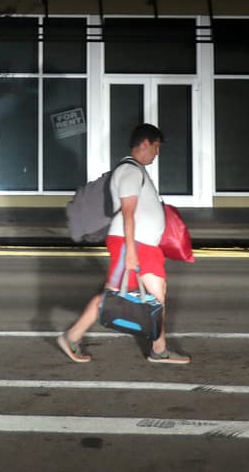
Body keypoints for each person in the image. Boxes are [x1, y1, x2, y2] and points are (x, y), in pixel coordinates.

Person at [55, 123, 190, 364]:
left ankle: (159, 350)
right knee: (113, 297)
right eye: (156, 147)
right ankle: (72, 336)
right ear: (145, 143)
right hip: (132, 243)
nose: (157, 154)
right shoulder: (129, 172)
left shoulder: (136, 171)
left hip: (143, 244)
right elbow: (128, 212)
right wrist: (130, 252)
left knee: (158, 294)